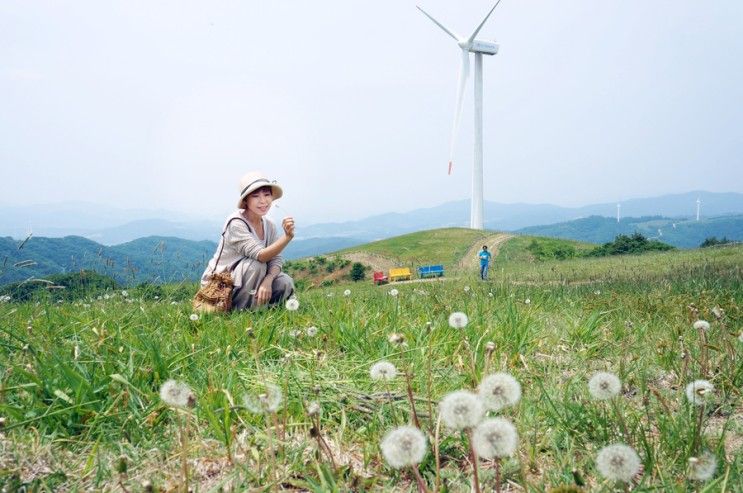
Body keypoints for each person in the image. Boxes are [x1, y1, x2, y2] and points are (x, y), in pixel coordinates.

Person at [201, 171, 295, 309]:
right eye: (255, 196)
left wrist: (268, 281)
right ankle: (243, 314)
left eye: (267, 194)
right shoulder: (236, 223)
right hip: (221, 285)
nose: (263, 201)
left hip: (248, 280)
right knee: (256, 265)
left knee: (284, 281)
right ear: (246, 201)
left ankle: (267, 310)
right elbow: (261, 256)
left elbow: (276, 258)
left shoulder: (269, 225)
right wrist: (287, 237)